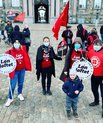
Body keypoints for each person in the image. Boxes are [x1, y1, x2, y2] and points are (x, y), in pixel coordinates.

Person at [5, 40, 32, 107]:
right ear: (13, 44)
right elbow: (5, 60)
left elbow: (26, 58)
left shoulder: (23, 50)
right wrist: (6, 70)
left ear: (20, 43)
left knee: (20, 83)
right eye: (15, 43)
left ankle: (19, 93)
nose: (16, 44)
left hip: (21, 70)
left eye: (18, 43)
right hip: (14, 71)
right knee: (12, 84)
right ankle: (10, 98)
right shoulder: (10, 51)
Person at [87, 39, 103, 118]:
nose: (96, 46)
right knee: (94, 89)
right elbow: (87, 57)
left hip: (102, 76)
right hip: (94, 75)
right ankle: (96, 101)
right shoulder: (91, 51)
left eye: (98, 44)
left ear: (101, 45)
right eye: (95, 44)